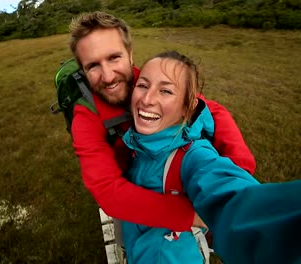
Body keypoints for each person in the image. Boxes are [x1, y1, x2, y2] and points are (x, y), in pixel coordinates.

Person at [122, 50, 301, 263]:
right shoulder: (138, 143)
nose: (147, 99)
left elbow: (235, 201)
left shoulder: (193, 157)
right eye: (143, 85)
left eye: (166, 91)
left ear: (187, 107)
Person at [68, 11, 255, 232]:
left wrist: (239, 166)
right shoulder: (85, 118)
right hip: (138, 188)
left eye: (113, 58)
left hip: (171, 167)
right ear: (83, 71)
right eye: (93, 66)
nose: (108, 77)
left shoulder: (149, 78)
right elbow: (108, 190)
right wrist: (192, 215)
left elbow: (210, 108)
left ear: (130, 54)